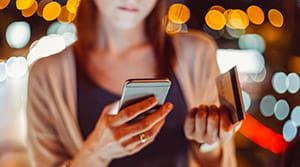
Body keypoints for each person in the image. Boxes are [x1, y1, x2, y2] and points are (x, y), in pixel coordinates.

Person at [26, 0, 238, 167]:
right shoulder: (47, 76)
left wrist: (210, 141)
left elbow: (219, 157)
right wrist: (96, 152)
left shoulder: (197, 54)